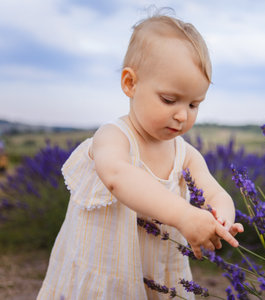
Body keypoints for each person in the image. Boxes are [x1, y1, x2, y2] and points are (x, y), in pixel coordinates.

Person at [38, 12, 243, 300]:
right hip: (107, 273)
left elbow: (213, 191)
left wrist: (219, 221)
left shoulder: (186, 155)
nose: (183, 115)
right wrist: (184, 215)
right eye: (169, 100)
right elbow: (118, 177)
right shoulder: (112, 137)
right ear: (130, 83)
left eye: (195, 104)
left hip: (159, 276)